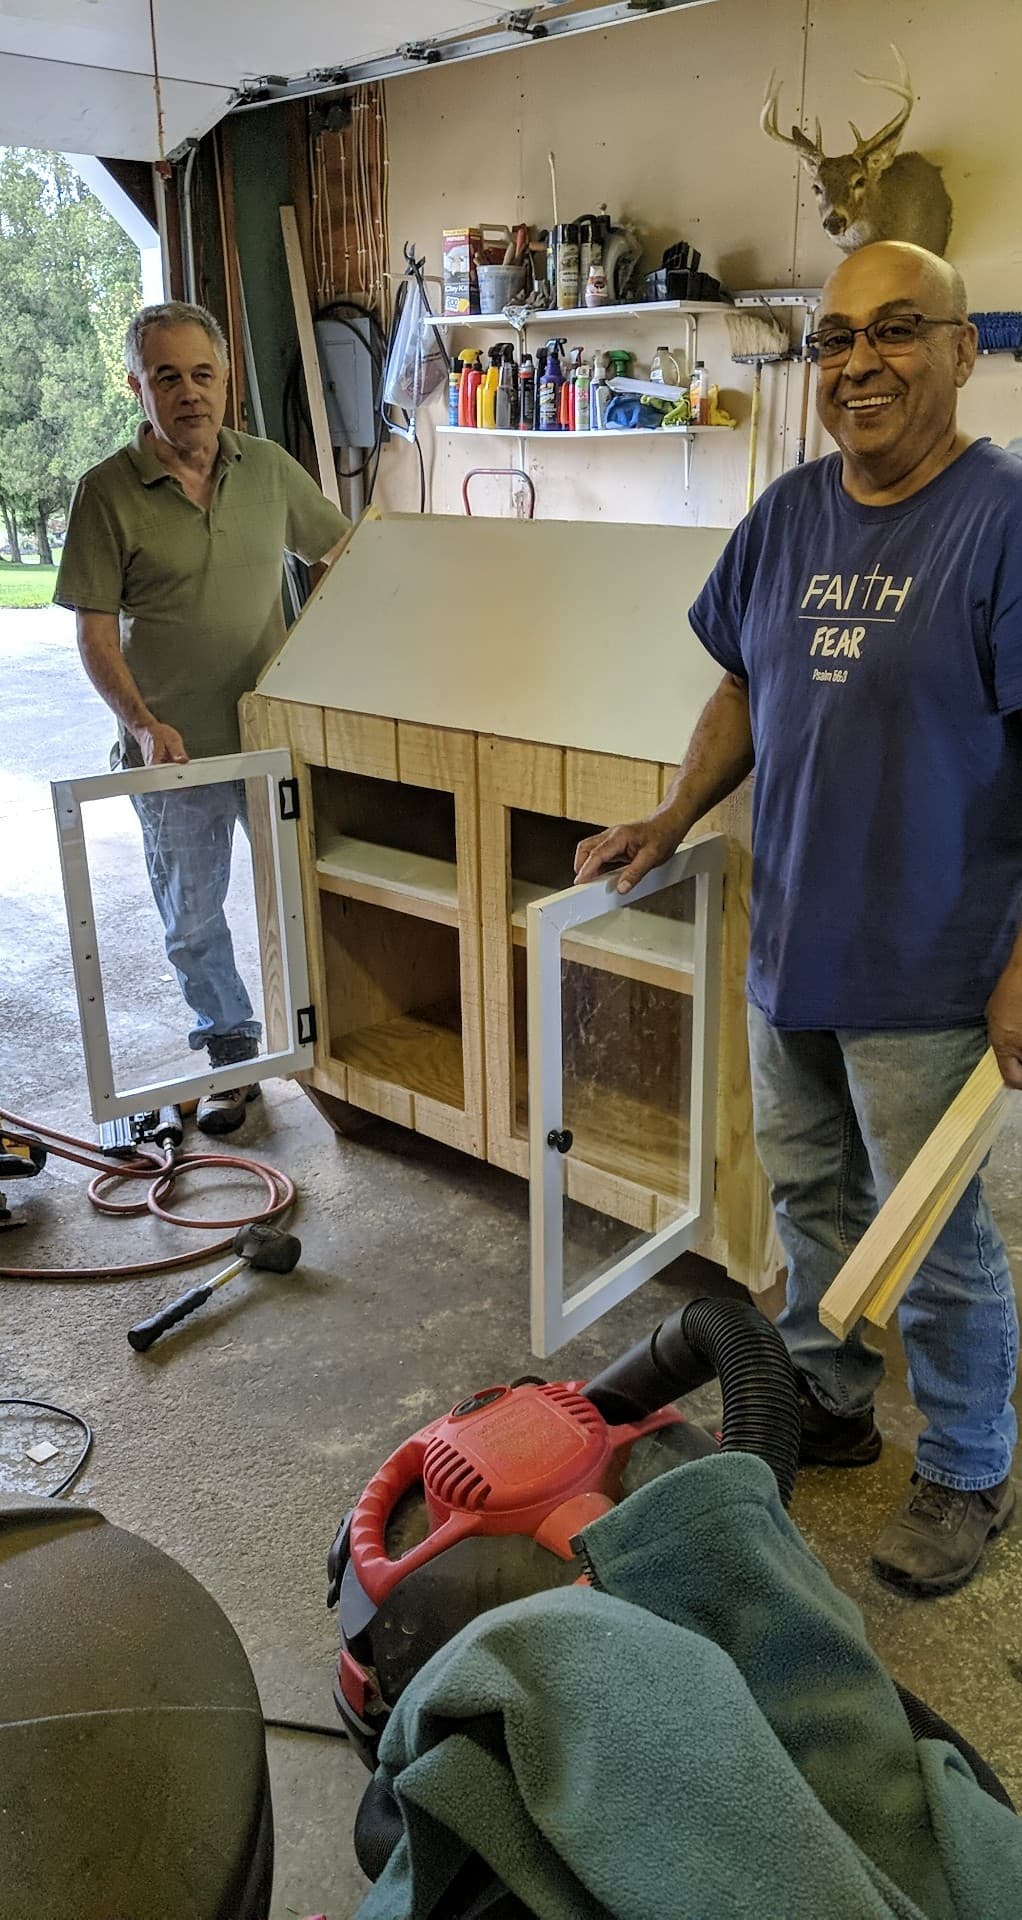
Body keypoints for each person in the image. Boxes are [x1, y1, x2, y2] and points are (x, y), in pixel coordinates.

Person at [576, 240, 1022, 1597]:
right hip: (794, 954)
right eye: (834, 340)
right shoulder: (783, 513)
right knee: (814, 1201)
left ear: (960, 350)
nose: (858, 363)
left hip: (934, 968)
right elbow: (739, 686)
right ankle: (826, 1397)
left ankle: (966, 1462)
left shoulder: (1000, 518)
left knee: (933, 1241)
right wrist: (669, 816)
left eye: (896, 332)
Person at [55, 300, 348, 1135]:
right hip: (174, 753)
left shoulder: (269, 470)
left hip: (271, 744)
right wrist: (143, 724)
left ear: (228, 383)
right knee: (192, 915)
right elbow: (95, 632)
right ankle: (234, 1057)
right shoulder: (106, 493)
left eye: (205, 374)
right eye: (168, 376)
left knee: (305, 893)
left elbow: (340, 557)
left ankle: (328, 1050)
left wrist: (320, 660)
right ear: (137, 387)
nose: (191, 393)